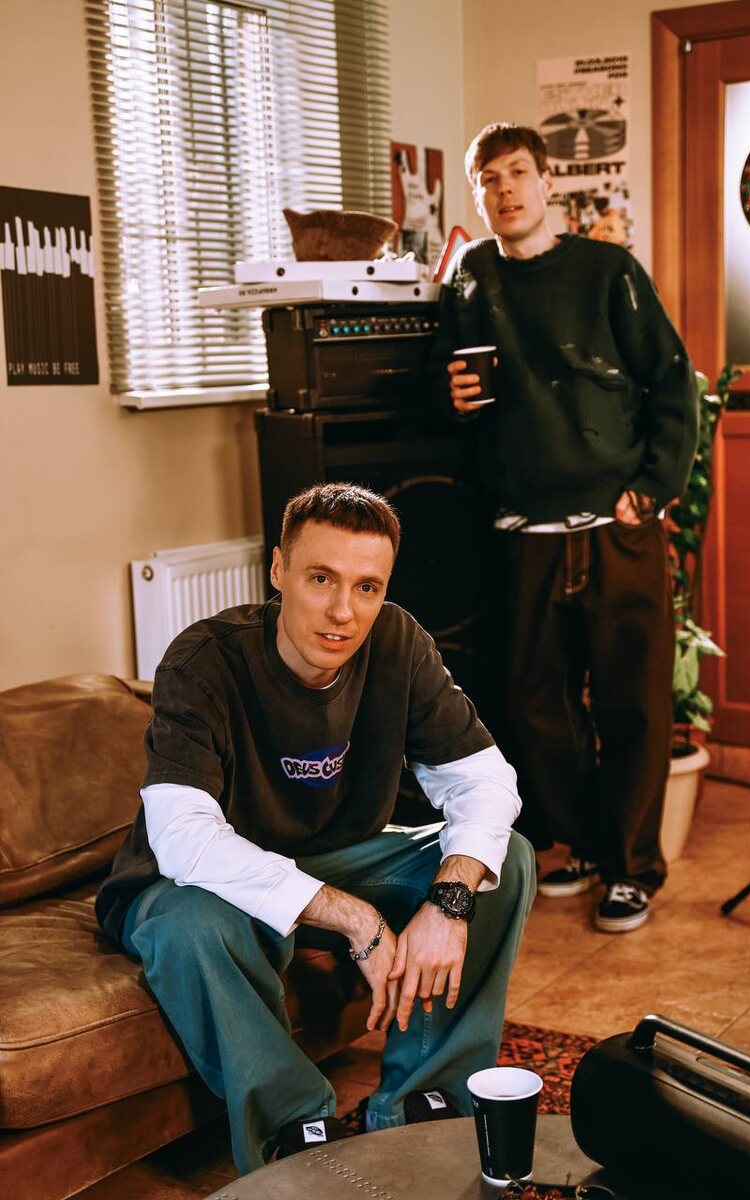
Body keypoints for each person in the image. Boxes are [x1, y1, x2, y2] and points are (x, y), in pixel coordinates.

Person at [96, 482, 534, 1175]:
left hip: (338, 858)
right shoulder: (202, 662)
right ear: (278, 570)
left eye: (367, 587)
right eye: (321, 578)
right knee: (192, 927)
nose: (343, 611)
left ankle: (426, 1100)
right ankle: (293, 1130)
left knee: (503, 860)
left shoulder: (399, 643)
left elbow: (485, 781)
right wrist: (357, 919)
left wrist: (449, 902)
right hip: (198, 884)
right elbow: (183, 839)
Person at [427, 122, 699, 935]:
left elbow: (672, 381)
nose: (505, 189)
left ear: (548, 183)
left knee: (632, 701)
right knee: (535, 707)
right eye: (489, 179)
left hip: (615, 525)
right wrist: (451, 397)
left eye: (518, 173)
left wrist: (652, 490)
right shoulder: (471, 280)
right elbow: (454, 394)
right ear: (479, 196)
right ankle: (580, 844)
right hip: (525, 530)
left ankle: (632, 869)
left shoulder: (608, 271)